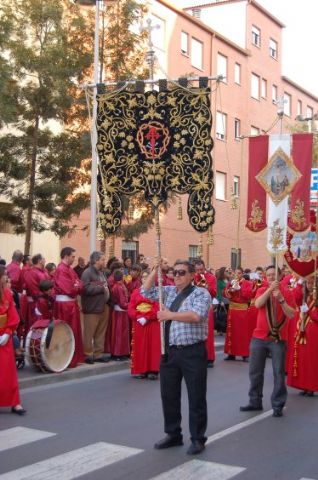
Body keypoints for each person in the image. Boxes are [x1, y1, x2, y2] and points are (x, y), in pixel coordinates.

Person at [142, 259, 211, 455]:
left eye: (182, 272)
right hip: (170, 352)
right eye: (175, 272)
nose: (177, 276)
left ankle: (198, 438)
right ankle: (173, 434)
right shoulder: (170, 291)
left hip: (193, 352)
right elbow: (145, 291)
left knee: (196, 396)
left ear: (191, 275)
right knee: (169, 395)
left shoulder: (201, 293)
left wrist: (169, 315)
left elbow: (196, 315)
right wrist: (156, 271)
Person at [240, 265, 295, 417]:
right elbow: (258, 304)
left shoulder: (287, 292)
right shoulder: (261, 289)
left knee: (278, 372)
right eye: (268, 275)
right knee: (255, 372)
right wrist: (270, 290)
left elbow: (291, 314)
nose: (271, 277)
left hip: (278, 339)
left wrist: (282, 299)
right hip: (259, 338)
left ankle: (278, 405)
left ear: (280, 276)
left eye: (273, 275)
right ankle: (255, 401)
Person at [0, 267, 26, 415]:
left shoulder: (8, 294)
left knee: (8, 372)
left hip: (5, 337)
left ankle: (15, 402)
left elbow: (13, 316)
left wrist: (8, 333)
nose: (6, 279)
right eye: (4, 276)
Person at [287, 275, 318, 396]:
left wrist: (308, 311)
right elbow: (295, 298)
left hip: (313, 331)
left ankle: (311, 386)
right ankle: (304, 385)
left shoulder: (315, 298)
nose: (310, 286)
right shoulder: (305, 295)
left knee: (311, 359)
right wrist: (300, 282)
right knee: (302, 358)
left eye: (312, 283)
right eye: (308, 283)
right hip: (302, 328)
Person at [54, 247, 84, 368]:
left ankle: (73, 357)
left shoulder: (69, 269)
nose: (74, 259)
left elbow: (80, 284)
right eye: (72, 256)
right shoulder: (61, 269)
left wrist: (76, 285)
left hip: (70, 304)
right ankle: (66, 358)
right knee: (67, 332)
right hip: (65, 306)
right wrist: (76, 286)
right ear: (66, 256)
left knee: (74, 331)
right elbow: (70, 289)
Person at [128, 270, 160, 379]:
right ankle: (141, 370)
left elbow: (158, 307)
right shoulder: (136, 292)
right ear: (141, 279)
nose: (146, 279)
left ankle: (153, 370)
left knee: (153, 346)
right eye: (144, 277)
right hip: (139, 323)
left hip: (152, 323)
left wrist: (147, 317)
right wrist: (138, 316)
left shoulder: (157, 292)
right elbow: (131, 308)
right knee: (140, 347)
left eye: (148, 277)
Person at [81, 251, 110, 364]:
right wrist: (100, 288)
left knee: (100, 332)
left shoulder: (101, 272)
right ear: (96, 260)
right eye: (102, 259)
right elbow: (85, 289)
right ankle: (87, 354)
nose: (104, 261)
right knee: (89, 332)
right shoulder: (87, 273)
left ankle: (98, 354)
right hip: (92, 307)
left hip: (103, 306)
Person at [223, 266, 253, 361]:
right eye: (236, 273)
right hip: (232, 309)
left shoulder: (248, 283)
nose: (237, 275)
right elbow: (224, 293)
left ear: (242, 273)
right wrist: (230, 290)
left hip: (242, 310)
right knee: (232, 331)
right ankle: (231, 353)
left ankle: (245, 354)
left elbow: (249, 295)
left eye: (239, 273)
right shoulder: (231, 282)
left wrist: (240, 288)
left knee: (243, 333)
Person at [193, 259, 217, 368]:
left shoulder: (211, 278)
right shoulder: (192, 277)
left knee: (208, 333)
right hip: (194, 306)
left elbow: (214, 293)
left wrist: (207, 287)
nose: (199, 272)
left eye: (201, 269)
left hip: (207, 306)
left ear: (204, 268)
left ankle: (209, 358)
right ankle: (197, 357)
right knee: (195, 332)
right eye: (197, 270)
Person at [110, 269, 130, 360]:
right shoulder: (119, 287)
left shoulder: (117, 286)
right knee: (120, 334)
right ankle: (118, 353)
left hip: (119, 312)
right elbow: (122, 303)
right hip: (120, 313)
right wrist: (130, 305)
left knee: (120, 333)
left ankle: (120, 352)